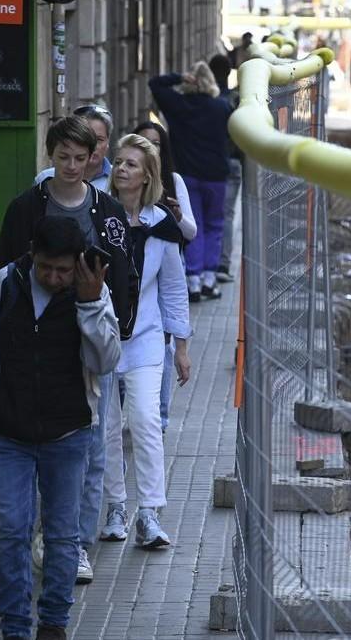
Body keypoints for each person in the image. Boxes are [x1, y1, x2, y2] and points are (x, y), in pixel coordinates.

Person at [0, 216, 122, 640]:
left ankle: (53, 623)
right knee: (11, 529)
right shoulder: (4, 286)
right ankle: (15, 626)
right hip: (8, 433)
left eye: (63, 270)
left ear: (77, 265)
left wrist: (88, 303)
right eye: (46, 267)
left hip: (68, 434)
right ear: (33, 256)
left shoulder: (91, 292)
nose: (53, 277)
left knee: (63, 535)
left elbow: (106, 363)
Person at [0, 116, 136, 584]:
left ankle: (74, 543)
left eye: (82, 157)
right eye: (64, 158)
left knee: (93, 448)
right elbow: (4, 274)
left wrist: (119, 329)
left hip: (91, 344)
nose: (73, 166)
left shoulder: (108, 210)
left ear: (95, 156)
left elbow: (123, 272)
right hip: (35, 347)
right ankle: (44, 533)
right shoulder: (24, 209)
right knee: (36, 443)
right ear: (49, 155)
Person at [99, 134, 192, 549]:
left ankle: (150, 513)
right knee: (106, 427)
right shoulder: (97, 215)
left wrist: (182, 346)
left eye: (131, 164)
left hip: (146, 337)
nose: (121, 168)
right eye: (118, 161)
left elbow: (173, 287)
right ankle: (116, 506)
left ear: (147, 175)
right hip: (99, 337)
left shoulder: (161, 225)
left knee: (145, 420)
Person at [148, 62, 234, 302]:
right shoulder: (222, 107)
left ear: (190, 81)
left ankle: (193, 282)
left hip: (187, 176)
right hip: (216, 176)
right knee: (215, 225)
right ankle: (209, 279)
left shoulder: (178, 106)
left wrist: (179, 76)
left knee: (192, 226)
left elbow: (155, 83)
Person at [134, 120, 196, 434]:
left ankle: (160, 417)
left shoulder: (173, 180)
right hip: (138, 276)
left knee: (165, 341)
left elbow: (191, 232)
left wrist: (176, 216)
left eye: (155, 143)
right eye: (143, 141)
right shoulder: (123, 189)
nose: (150, 148)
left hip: (168, 268)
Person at [208, 53, 243, 284]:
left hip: (208, 165)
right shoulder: (235, 100)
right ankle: (222, 264)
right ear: (229, 72)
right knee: (226, 216)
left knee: (205, 217)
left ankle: (206, 266)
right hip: (231, 162)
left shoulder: (206, 101)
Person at [35, 104, 114, 191]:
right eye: (86, 138)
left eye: (99, 139)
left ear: (107, 143)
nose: (93, 145)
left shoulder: (118, 178)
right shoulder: (45, 179)